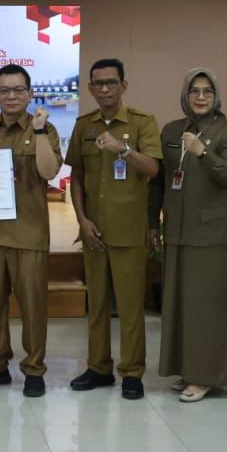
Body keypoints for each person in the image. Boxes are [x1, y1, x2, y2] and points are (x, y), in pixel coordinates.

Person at [0, 65, 61, 397]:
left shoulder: (44, 129)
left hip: (28, 233)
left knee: (32, 306)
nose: (11, 96)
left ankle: (33, 368)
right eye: (4, 90)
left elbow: (48, 172)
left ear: (30, 94)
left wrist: (40, 131)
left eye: (18, 90)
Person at [66, 58, 162, 400]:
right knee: (97, 305)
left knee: (131, 308)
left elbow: (152, 169)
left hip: (129, 231)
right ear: (90, 87)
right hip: (94, 230)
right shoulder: (84, 125)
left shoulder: (142, 122)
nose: (104, 88)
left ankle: (132, 372)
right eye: (98, 83)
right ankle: (98, 367)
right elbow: (76, 176)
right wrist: (82, 220)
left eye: (111, 82)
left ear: (123, 85)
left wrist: (123, 148)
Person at [149, 68, 227, 403]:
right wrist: (152, 222)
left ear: (216, 96)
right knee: (182, 306)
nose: (201, 97)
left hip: (212, 234)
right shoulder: (171, 130)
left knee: (207, 307)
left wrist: (203, 152)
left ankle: (205, 376)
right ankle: (189, 369)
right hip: (177, 231)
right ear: (185, 95)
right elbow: (159, 182)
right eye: (194, 91)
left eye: (207, 91)